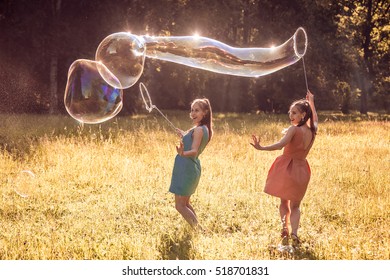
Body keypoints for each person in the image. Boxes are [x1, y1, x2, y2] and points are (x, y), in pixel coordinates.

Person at [250, 90, 318, 244]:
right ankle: (294, 233)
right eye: (290, 112)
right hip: (302, 170)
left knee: (284, 202)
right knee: (296, 205)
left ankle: (284, 228)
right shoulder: (313, 130)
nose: (291, 116)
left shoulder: (294, 129)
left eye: (294, 113)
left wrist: (261, 147)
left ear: (303, 115)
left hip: (287, 168)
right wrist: (312, 102)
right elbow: (315, 118)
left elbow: (281, 145)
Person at [169, 98, 213, 230]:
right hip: (189, 167)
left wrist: (182, 153)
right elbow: (193, 142)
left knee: (180, 206)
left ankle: (199, 230)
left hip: (186, 168)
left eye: (197, 110)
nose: (193, 113)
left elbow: (194, 150)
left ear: (205, 113)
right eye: (192, 110)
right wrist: (184, 135)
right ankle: (198, 229)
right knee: (186, 204)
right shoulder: (202, 128)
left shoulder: (199, 130)